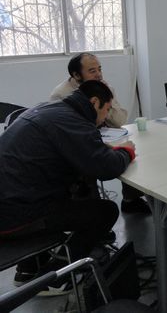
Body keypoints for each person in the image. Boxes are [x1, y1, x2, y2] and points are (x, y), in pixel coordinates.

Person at [0, 81, 136, 289]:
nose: (105, 117)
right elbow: (107, 168)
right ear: (95, 102)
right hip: (16, 214)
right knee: (104, 212)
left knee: (72, 192)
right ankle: (53, 281)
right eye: (106, 110)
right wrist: (127, 152)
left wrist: (99, 149)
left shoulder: (51, 109)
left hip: (11, 197)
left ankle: (30, 268)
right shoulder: (74, 123)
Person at [49, 53, 149, 214]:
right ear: (76, 75)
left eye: (99, 69)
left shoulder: (103, 88)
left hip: (105, 135)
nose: (99, 75)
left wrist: (105, 101)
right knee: (89, 162)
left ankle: (131, 199)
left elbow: (120, 120)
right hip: (78, 141)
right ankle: (90, 209)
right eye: (92, 71)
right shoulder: (61, 94)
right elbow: (67, 132)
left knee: (128, 148)